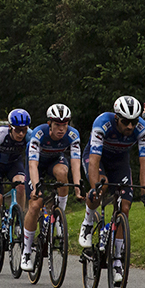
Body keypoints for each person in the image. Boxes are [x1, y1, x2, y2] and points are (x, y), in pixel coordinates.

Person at [78, 96, 145, 285]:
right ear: (117, 118)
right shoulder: (102, 123)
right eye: (126, 122)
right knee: (101, 185)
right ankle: (88, 221)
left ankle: (117, 260)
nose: (130, 126)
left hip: (120, 162)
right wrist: (95, 188)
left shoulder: (143, 129)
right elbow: (94, 159)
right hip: (97, 158)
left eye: (134, 122)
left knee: (125, 207)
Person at [21, 103, 82, 272]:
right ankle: (26, 251)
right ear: (50, 124)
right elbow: (32, 165)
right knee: (35, 204)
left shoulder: (72, 134)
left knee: (63, 171)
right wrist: (35, 187)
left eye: (64, 125)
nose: (61, 129)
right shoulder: (38, 134)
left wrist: (77, 186)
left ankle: (58, 217)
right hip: (37, 165)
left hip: (55, 161)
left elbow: (76, 163)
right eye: (57, 125)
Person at [0, 109, 31, 256]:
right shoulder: (0, 134)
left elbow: (32, 161)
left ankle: (18, 221)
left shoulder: (30, 135)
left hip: (14, 165)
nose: (21, 134)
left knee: (22, 186)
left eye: (24, 130)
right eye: (18, 130)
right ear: (10, 127)